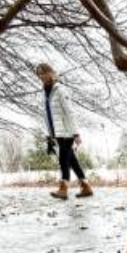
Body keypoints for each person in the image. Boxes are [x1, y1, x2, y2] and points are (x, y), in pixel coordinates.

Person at [35, 63, 93, 199]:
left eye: (43, 73)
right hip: (57, 132)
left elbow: (70, 112)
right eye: (39, 74)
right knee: (72, 160)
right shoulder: (45, 92)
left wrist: (76, 133)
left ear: (50, 72)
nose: (41, 76)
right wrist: (49, 135)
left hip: (67, 131)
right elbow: (48, 115)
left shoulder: (60, 90)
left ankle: (63, 189)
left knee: (63, 159)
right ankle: (86, 186)